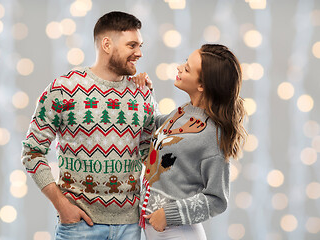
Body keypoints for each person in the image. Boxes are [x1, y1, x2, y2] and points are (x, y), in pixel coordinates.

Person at [21, 11, 156, 240]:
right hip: (80, 226)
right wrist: (62, 205)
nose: (139, 53)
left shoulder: (142, 94)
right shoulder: (64, 89)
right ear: (106, 44)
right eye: (132, 45)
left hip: (130, 227)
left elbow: (152, 155)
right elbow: (32, 152)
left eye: (140, 45)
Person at [133, 44, 247, 239]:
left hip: (178, 233)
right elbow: (154, 125)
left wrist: (169, 215)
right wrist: (146, 92)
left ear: (202, 85)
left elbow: (217, 199)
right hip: (153, 230)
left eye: (187, 68)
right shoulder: (184, 111)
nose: (179, 67)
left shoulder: (213, 134)